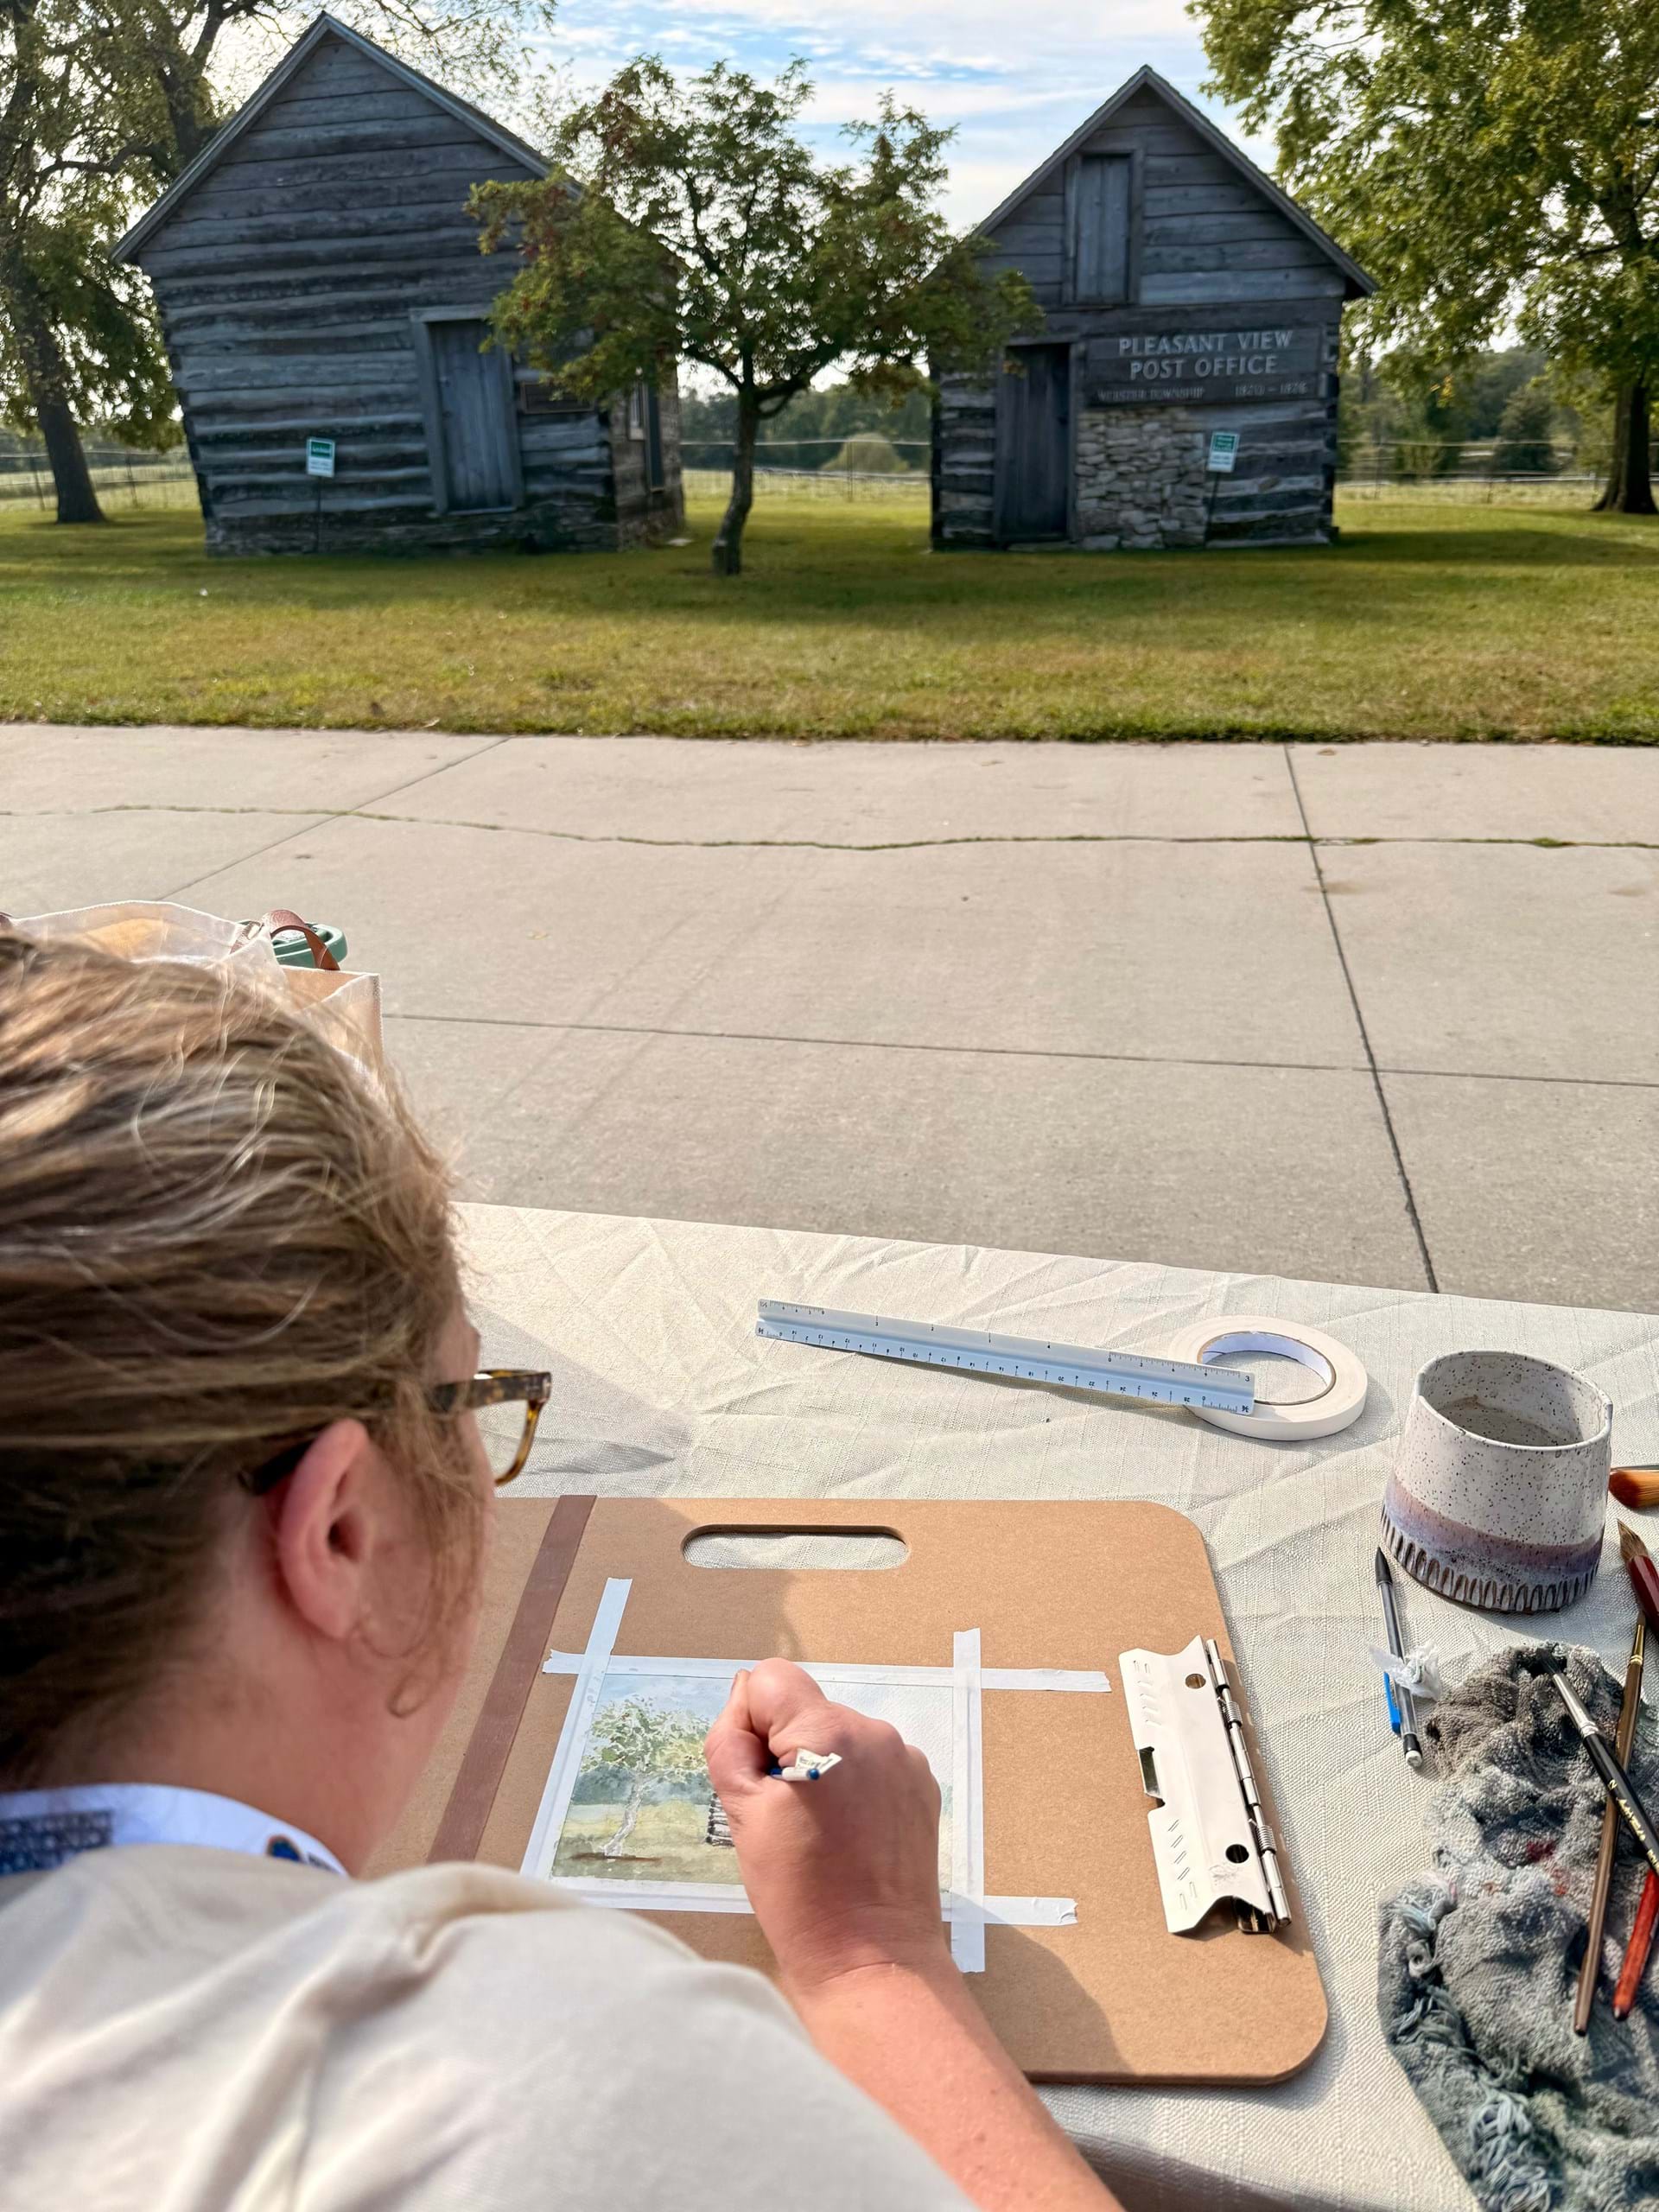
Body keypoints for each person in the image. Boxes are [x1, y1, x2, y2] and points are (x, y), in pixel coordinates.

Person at [0, 929, 1118, 2212]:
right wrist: (875, 1961)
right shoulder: (526, 2088)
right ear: (341, 1530)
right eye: (463, 1396)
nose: (483, 1463)